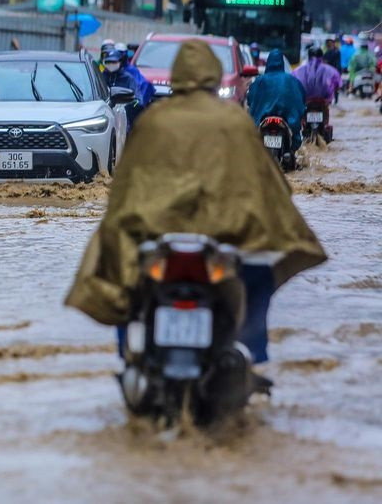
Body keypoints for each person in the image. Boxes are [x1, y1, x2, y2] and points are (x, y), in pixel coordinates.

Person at [66, 39, 326, 365]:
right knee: (259, 274)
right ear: (215, 75)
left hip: (158, 236)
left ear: (177, 76)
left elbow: (125, 187)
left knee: (126, 282)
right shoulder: (235, 121)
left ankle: (129, 354)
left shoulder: (154, 120)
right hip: (225, 237)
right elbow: (270, 187)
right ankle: (250, 353)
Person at [246, 49, 306, 152]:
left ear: (268, 62)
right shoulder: (291, 80)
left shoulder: (260, 80)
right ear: (282, 63)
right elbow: (301, 98)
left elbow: (250, 99)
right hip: (286, 121)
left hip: (263, 120)